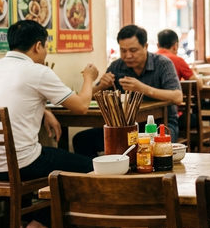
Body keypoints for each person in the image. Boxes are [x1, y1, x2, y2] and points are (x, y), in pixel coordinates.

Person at [0, 20, 97, 228]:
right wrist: (88, 78)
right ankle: (38, 224)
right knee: (87, 166)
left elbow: (11, 101)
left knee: (47, 155)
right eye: (46, 47)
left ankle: (25, 222)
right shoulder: (37, 71)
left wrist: (43, 111)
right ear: (38, 46)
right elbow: (80, 105)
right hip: (19, 164)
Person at [73, 24, 183, 158]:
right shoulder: (117, 66)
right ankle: (101, 177)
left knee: (147, 145)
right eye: (123, 51)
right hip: (123, 127)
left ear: (146, 47)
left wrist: (142, 88)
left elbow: (177, 97)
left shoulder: (162, 64)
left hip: (160, 126)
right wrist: (101, 85)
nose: (128, 55)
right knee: (82, 140)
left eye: (133, 50)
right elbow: (90, 97)